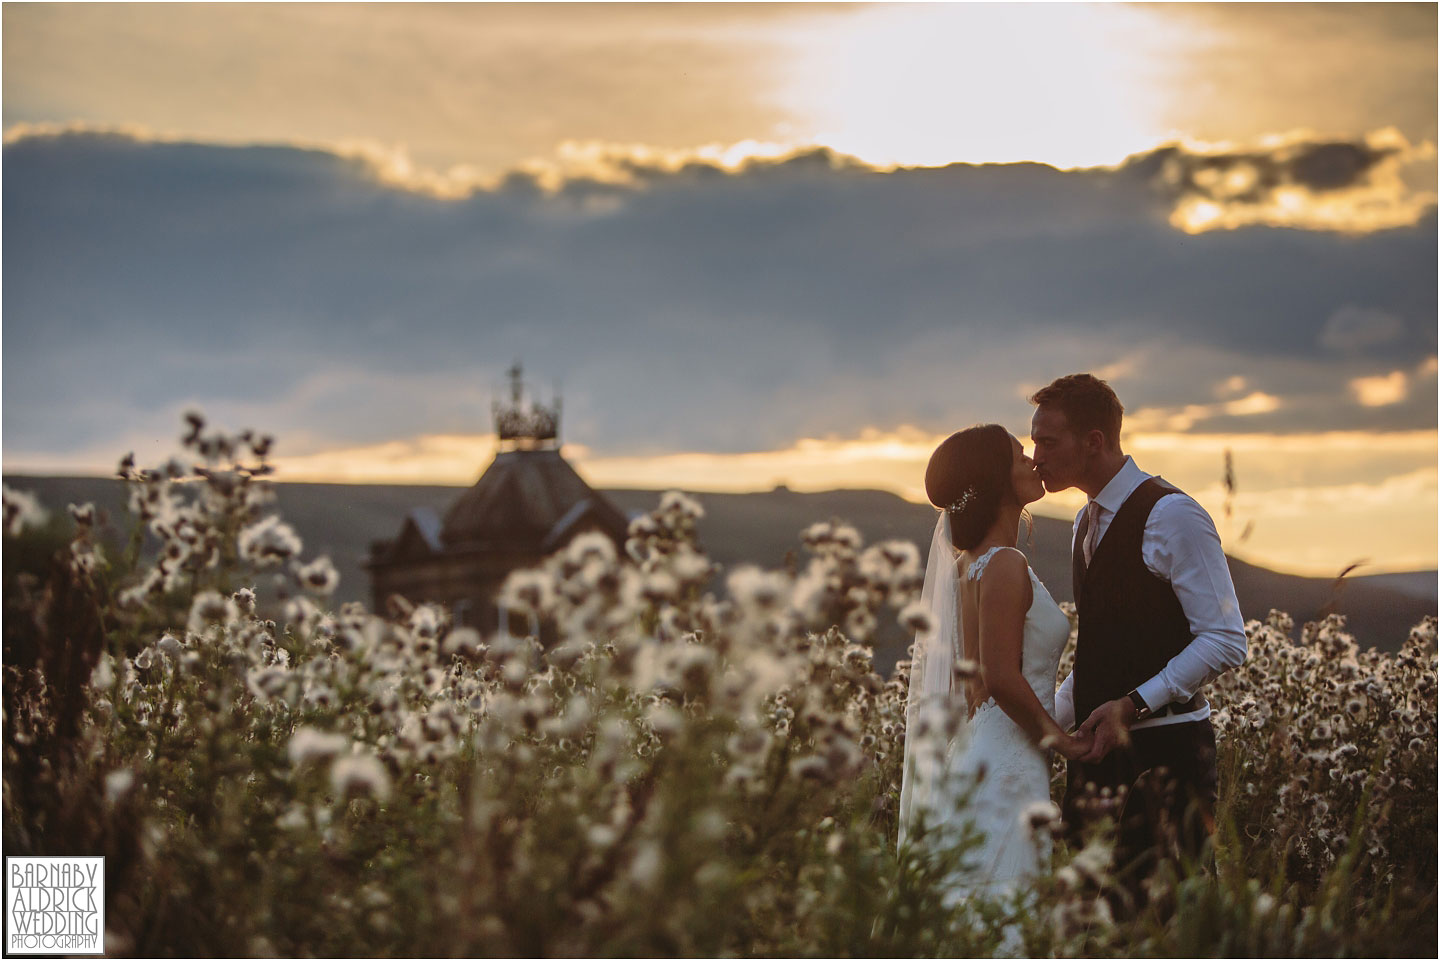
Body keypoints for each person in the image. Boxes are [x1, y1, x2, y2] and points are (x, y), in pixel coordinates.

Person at [1029, 373, 1247, 890]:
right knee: (1100, 927)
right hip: (1098, 763)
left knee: (1169, 924)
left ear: (1094, 441)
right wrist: (1044, 722)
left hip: (1168, 762)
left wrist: (1134, 704)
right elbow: (1104, 647)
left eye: (1047, 441)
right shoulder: (1085, 521)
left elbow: (1225, 638)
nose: (1035, 455)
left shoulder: (1173, 516)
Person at [898, 424, 1092, 911]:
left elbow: (980, 685)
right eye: (1018, 455)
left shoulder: (971, 564)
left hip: (985, 750)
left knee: (984, 906)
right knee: (1006, 906)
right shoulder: (1003, 563)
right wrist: (1062, 740)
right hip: (1009, 757)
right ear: (993, 479)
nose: (1032, 461)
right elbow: (1001, 677)